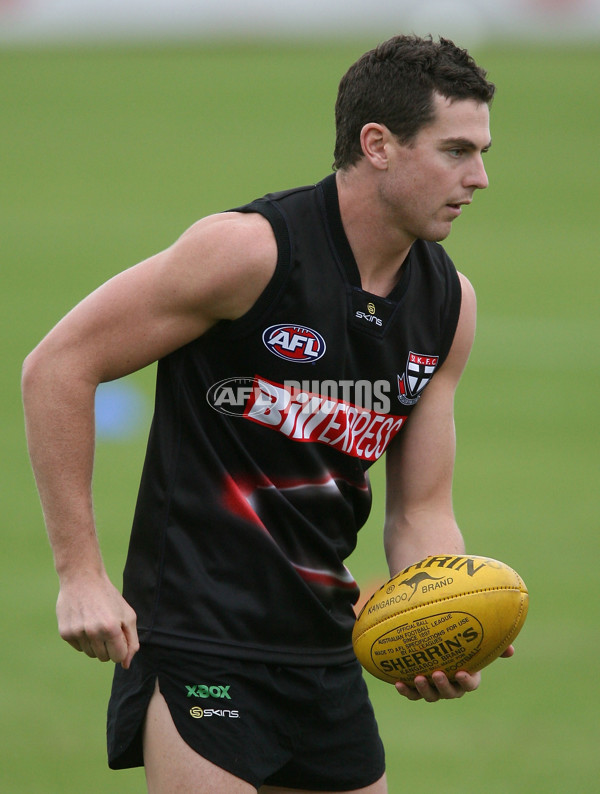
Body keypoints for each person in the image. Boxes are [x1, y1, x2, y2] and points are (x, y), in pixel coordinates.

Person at [22, 33, 513, 794]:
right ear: (377, 144)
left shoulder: (449, 304)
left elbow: (421, 509)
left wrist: (432, 627)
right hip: (199, 641)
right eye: (455, 150)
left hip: (326, 650)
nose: (479, 178)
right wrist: (80, 574)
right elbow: (57, 366)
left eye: (481, 151)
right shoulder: (248, 253)